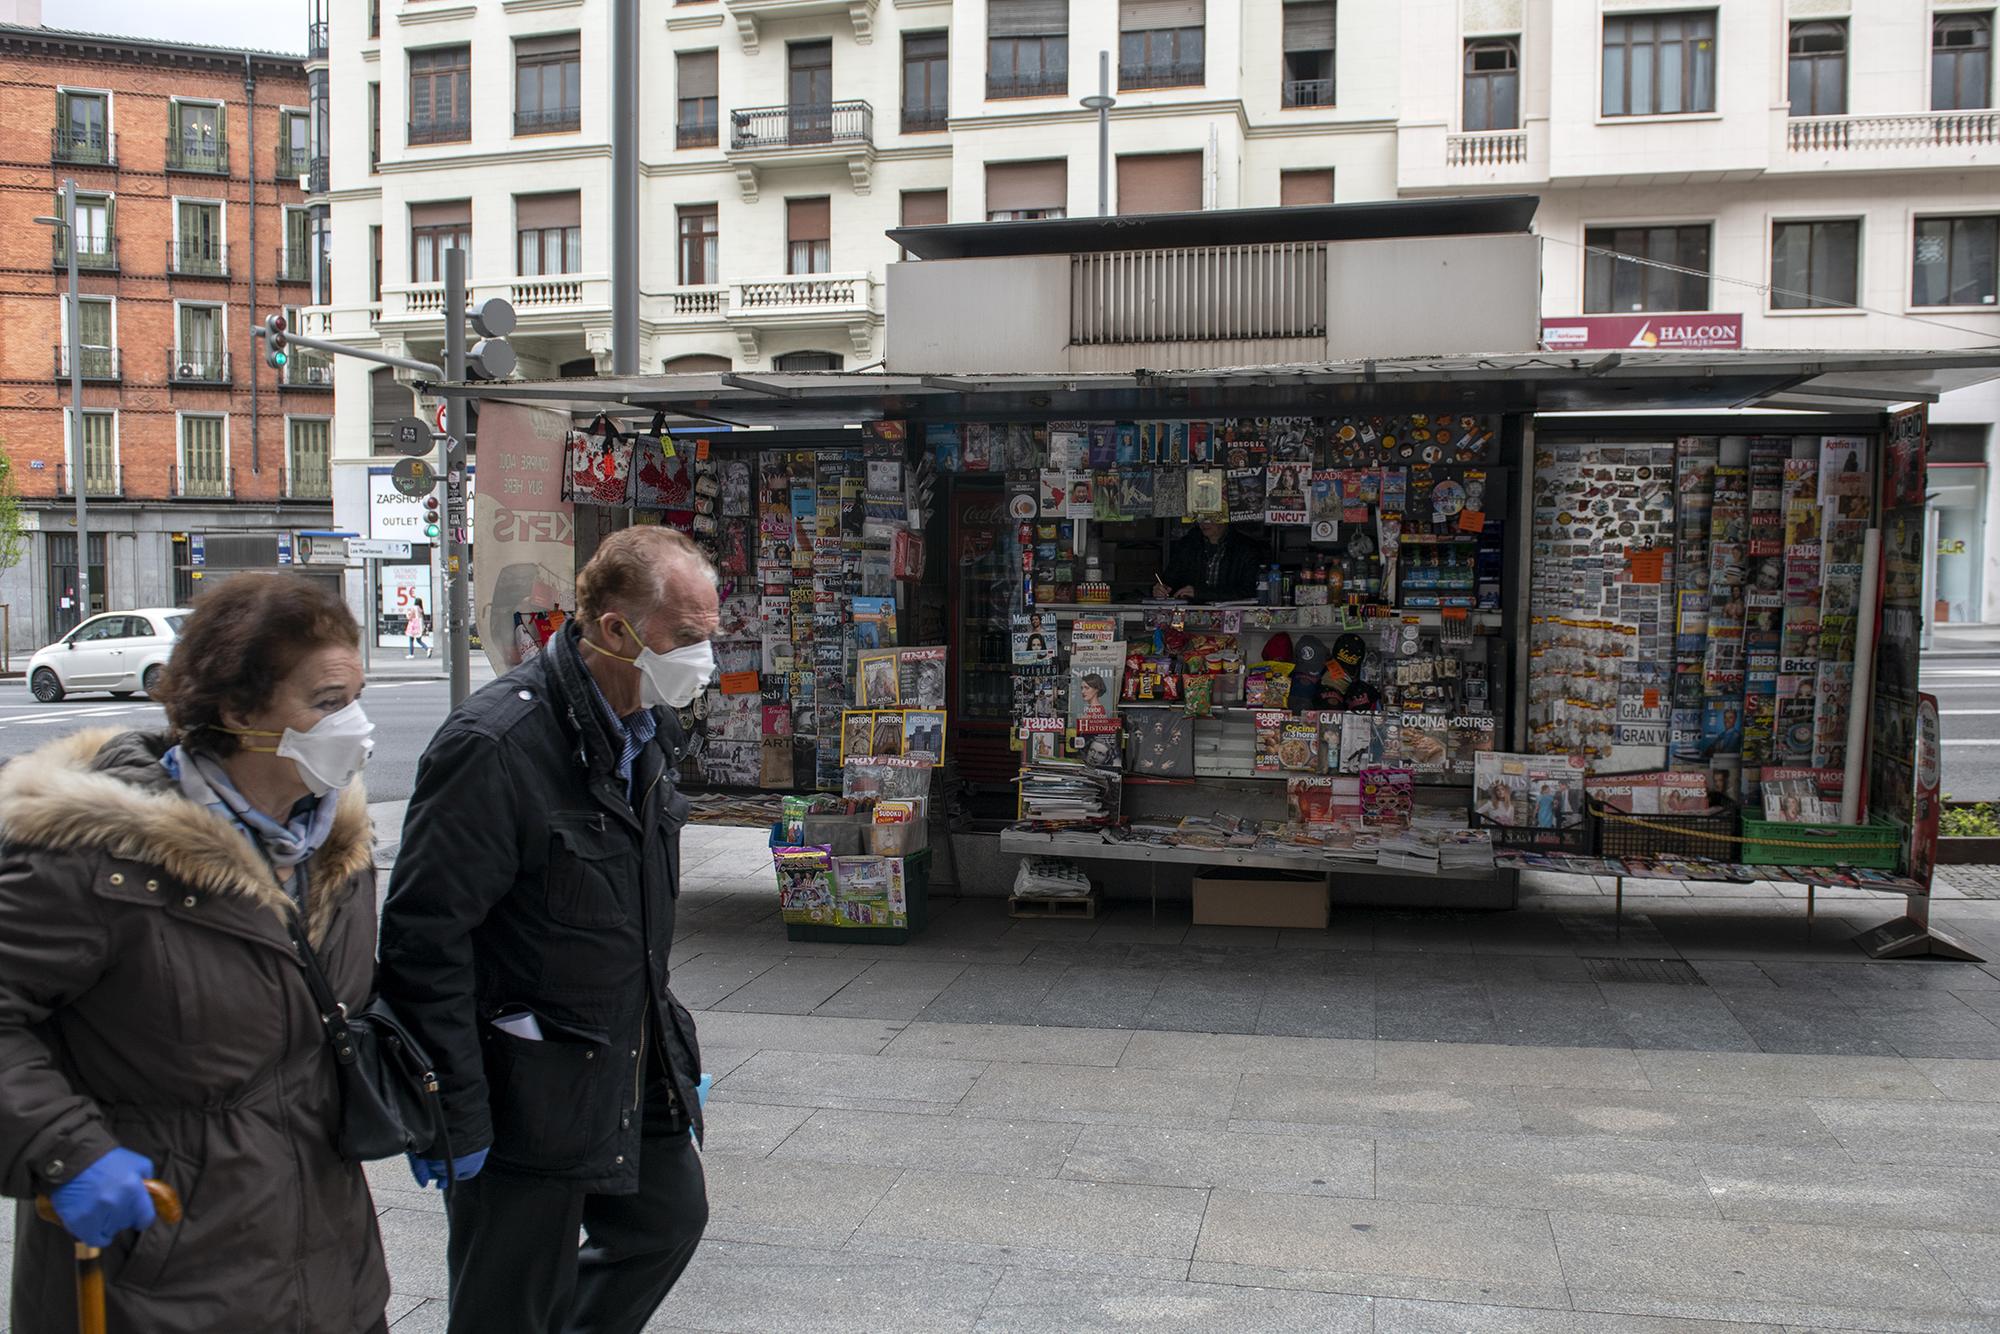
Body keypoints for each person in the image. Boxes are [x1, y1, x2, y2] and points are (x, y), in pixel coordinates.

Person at [0, 574, 389, 1334]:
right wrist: (61, 1148)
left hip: (327, 1267)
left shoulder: (336, 848)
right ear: (238, 711)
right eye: (327, 703)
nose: (358, 727)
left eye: (358, 696)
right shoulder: (94, 858)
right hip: (163, 1278)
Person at [377, 527, 717, 1334]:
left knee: (666, 1221)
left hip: (626, 1058)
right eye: (688, 637)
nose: (704, 657)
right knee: (509, 1303)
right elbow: (425, 939)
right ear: (614, 629)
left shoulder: (650, 732)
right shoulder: (496, 745)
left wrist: (674, 1049)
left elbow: (633, 931)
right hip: (522, 1082)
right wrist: (455, 1108)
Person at [1155, 521, 1261, 602]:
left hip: (1233, 616)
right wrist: (1160, 589)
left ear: (1225, 519)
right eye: (1201, 517)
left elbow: (1249, 591)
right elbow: (1170, 581)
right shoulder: (1187, 544)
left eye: (1211, 517)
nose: (1204, 522)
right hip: (1190, 616)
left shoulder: (1246, 548)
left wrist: (1201, 593)